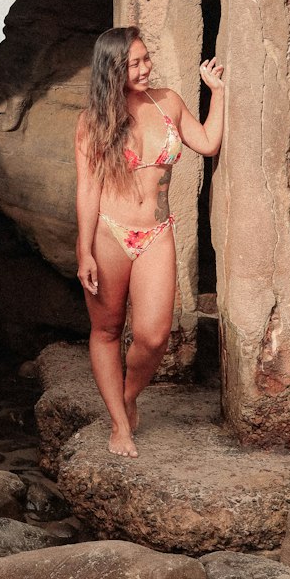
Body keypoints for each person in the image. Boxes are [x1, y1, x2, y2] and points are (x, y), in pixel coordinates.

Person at [75, 26, 225, 457]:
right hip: (109, 233)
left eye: (146, 59)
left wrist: (216, 91)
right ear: (112, 69)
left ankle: (126, 397)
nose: (145, 68)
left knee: (154, 336)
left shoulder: (168, 102)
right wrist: (84, 249)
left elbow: (209, 143)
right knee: (105, 330)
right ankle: (120, 425)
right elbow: (87, 190)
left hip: (157, 231)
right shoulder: (91, 122)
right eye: (134, 63)